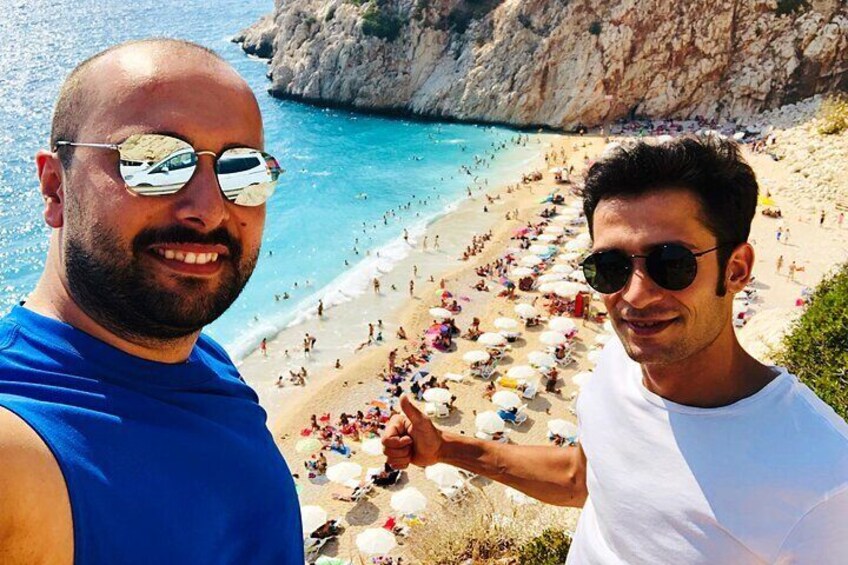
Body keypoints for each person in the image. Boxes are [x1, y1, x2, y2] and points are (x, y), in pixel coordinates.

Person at [382, 135, 848, 563]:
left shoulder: (824, 480)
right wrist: (446, 447)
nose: (636, 296)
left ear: (737, 269)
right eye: (610, 266)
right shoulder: (616, 365)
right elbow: (580, 479)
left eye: (672, 263)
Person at [0, 40, 303, 562]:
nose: (209, 209)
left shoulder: (200, 355)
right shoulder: (20, 434)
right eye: (154, 160)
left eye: (242, 170)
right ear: (55, 188)